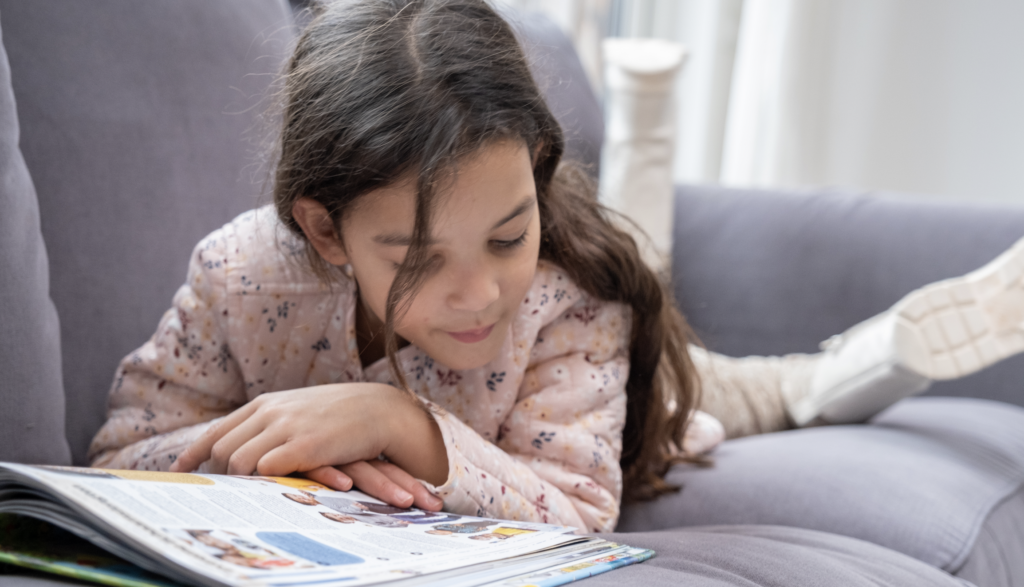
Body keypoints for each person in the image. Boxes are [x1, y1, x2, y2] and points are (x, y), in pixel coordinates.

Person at [86, 0, 1024, 535]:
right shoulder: (244, 275)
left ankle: (870, 357)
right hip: (548, 383)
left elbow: (575, 509)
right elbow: (122, 456)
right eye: (417, 257)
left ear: (539, 174)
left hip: (635, 400)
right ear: (324, 231)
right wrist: (297, 464)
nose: (480, 293)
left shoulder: (567, 293)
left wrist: (395, 419)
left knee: (754, 395)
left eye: (506, 233)